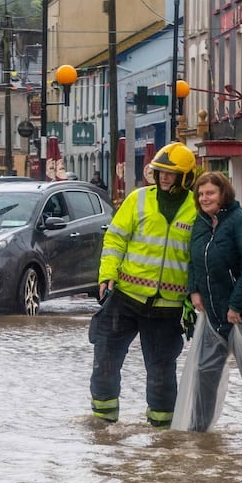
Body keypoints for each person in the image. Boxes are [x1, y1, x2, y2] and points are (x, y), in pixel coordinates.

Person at [89, 142, 198, 428]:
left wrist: (195, 296)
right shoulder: (137, 199)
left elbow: (201, 257)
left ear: (185, 177)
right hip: (125, 298)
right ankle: (102, 428)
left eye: (171, 174)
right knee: (105, 362)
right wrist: (107, 274)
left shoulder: (196, 209)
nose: (163, 177)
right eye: (160, 172)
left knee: (162, 374)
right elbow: (115, 239)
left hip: (167, 308)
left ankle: (162, 440)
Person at [187, 171, 242, 359]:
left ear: (223, 194)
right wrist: (194, 290)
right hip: (213, 315)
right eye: (201, 194)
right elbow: (193, 258)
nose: (204, 198)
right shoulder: (200, 222)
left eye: (210, 193)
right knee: (206, 373)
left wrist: (235, 306)